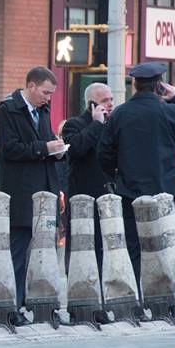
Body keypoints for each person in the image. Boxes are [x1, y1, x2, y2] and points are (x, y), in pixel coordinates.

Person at [98, 62, 175, 282]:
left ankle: (138, 298)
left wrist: (116, 176)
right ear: (159, 86)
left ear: (135, 85)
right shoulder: (170, 111)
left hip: (130, 192)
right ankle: (167, 299)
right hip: (165, 191)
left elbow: (104, 153)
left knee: (134, 246)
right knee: (167, 244)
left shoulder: (120, 114)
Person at [0, 67, 64, 321]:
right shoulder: (8, 110)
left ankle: (44, 305)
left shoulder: (42, 110)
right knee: (20, 253)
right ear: (31, 86)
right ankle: (15, 306)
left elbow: (46, 143)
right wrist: (43, 148)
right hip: (22, 192)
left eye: (51, 94)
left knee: (45, 253)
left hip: (45, 192)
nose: (48, 98)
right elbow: (8, 149)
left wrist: (57, 151)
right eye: (45, 92)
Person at [61, 82, 114, 273]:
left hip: (109, 196)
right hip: (84, 197)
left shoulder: (113, 124)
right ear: (92, 105)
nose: (109, 104)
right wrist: (96, 124)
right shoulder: (74, 125)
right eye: (104, 100)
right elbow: (76, 148)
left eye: (111, 100)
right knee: (82, 247)